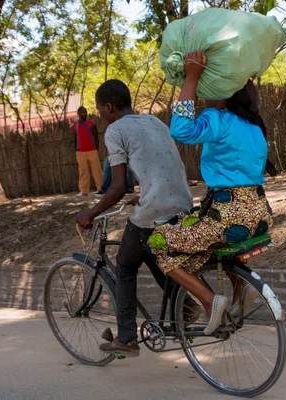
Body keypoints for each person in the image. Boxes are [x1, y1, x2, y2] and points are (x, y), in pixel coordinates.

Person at [148, 50, 273, 337]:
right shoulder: (254, 125)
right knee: (205, 238)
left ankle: (208, 300)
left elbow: (179, 130)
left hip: (226, 216)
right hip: (259, 215)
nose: (203, 97)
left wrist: (191, 77)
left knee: (158, 241)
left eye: (207, 90)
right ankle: (241, 289)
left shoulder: (219, 119)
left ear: (221, 92)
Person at [75, 79, 193, 357]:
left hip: (155, 210)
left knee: (125, 266)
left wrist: (90, 213)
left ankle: (126, 338)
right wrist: (144, 192)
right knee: (155, 256)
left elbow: (116, 187)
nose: (100, 116)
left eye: (99, 110)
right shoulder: (154, 121)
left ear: (109, 106)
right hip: (182, 203)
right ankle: (186, 311)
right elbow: (162, 164)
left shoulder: (115, 130)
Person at [72, 106, 104, 196]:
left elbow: (96, 137)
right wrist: (76, 151)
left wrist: (96, 149)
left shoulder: (91, 124)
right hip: (80, 152)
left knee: (97, 171)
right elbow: (75, 139)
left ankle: (101, 189)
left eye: (85, 112)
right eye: (82, 112)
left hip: (92, 151)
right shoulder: (75, 126)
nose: (84, 114)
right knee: (83, 172)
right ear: (78, 113)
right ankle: (84, 191)